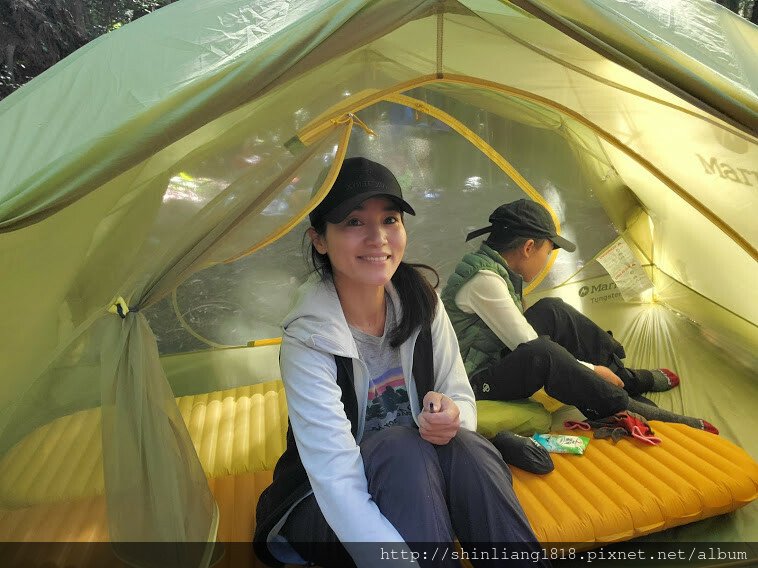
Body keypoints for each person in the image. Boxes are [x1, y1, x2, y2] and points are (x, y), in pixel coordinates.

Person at [254, 159, 549, 568]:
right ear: (319, 239)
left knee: (471, 448)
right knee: (400, 444)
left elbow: (460, 396)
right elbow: (336, 479)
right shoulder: (308, 337)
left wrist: (452, 417)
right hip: (325, 507)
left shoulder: (422, 303)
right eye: (354, 222)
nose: (378, 238)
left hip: (417, 482)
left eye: (389, 219)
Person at [441, 199, 718, 435]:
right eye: (548, 252)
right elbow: (526, 344)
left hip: (489, 359)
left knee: (552, 309)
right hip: (471, 380)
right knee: (542, 353)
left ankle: (626, 378)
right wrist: (591, 370)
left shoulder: (497, 270)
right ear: (528, 247)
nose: (547, 262)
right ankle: (620, 405)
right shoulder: (483, 280)